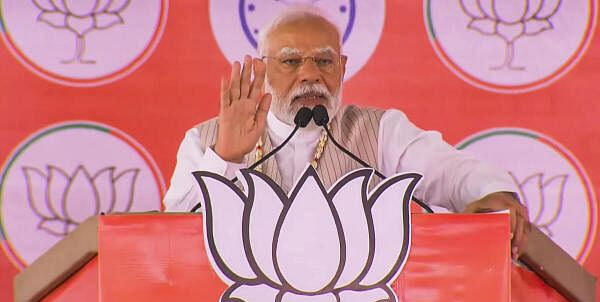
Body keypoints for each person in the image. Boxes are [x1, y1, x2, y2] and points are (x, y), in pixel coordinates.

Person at [163, 7, 531, 259]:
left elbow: (456, 174)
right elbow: (167, 239)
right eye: (291, 61)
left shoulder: (378, 131)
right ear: (261, 70)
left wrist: (494, 194)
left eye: (324, 60)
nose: (310, 74)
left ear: (342, 68)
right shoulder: (205, 139)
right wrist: (225, 158)